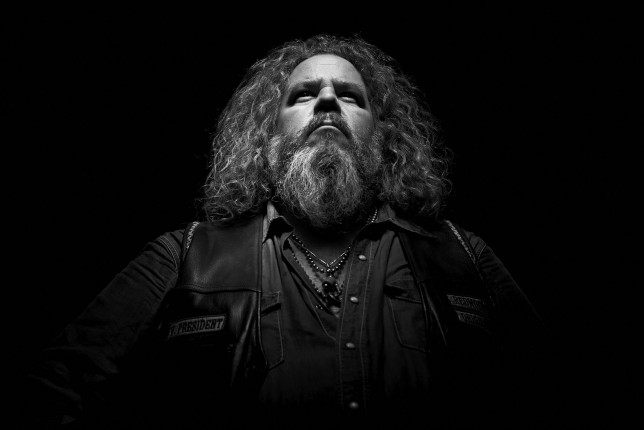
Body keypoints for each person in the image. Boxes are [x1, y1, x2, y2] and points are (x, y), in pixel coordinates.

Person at [22, 34, 550, 429]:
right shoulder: (183, 255)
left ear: (383, 135)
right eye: (303, 95)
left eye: (350, 95)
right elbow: (51, 391)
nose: (327, 102)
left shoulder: (464, 255)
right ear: (268, 133)